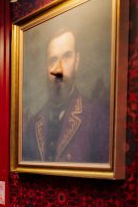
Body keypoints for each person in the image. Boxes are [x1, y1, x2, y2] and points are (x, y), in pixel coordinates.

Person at [22, 28, 109, 163]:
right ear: (46, 67)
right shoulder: (33, 125)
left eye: (67, 57)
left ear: (77, 61)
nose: (59, 70)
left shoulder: (97, 117)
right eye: (53, 60)